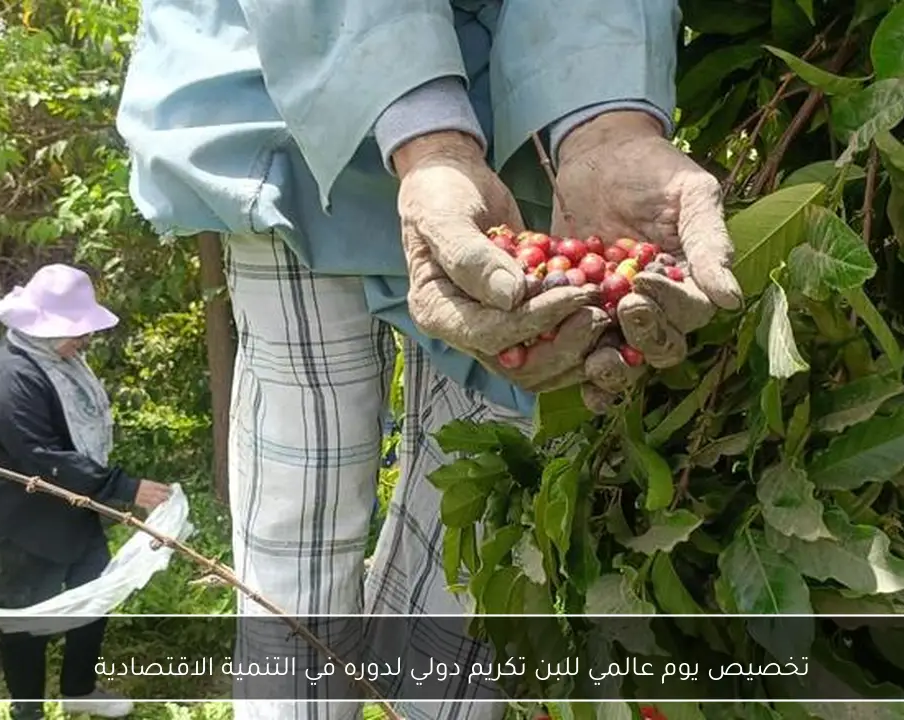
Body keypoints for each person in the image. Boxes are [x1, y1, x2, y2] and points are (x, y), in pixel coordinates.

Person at [116, 1, 741, 718]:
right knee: (307, 507)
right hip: (289, 83)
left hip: (513, 124)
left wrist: (605, 126)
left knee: (481, 499)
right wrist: (429, 142)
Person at [0, 263, 173, 720]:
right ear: (43, 328)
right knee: (23, 616)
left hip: (69, 505)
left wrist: (105, 489)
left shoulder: (59, 362)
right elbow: (43, 457)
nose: (85, 340)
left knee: (95, 590)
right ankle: (28, 711)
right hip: (20, 518)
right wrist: (122, 487)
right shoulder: (11, 378)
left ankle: (78, 689)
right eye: (77, 330)